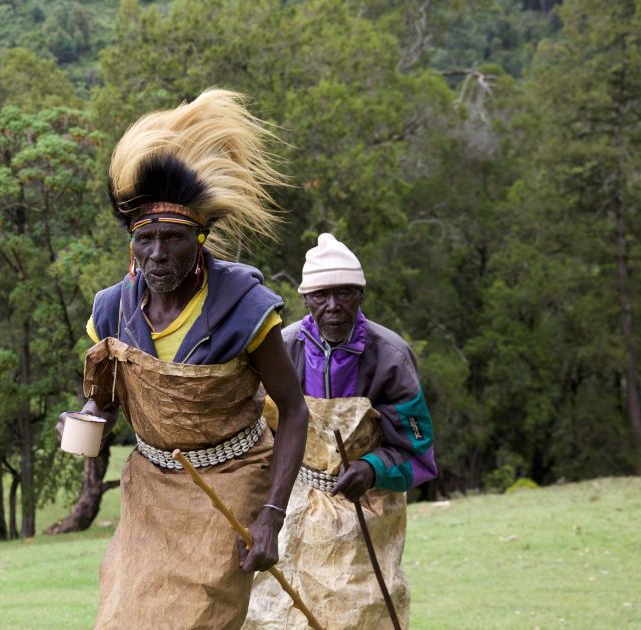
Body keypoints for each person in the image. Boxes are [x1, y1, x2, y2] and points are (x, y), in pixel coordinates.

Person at [58, 89, 310, 629]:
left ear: (200, 239)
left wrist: (271, 516)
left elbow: (294, 409)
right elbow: (99, 406)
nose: (157, 255)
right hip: (150, 488)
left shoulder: (244, 307)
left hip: (232, 481)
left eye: (172, 239)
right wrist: (85, 423)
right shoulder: (110, 312)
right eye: (144, 240)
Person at [244, 233, 437, 630]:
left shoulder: (391, 357)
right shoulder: (282, 348)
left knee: (357, 612)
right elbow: (255, 431)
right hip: (292, 502)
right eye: (321, 295)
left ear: (360, 295)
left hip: (366, 507)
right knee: (278, 613)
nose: (333, 307)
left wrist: (372, 468)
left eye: (344, 294)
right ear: (305, 299)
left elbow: (418, 451)